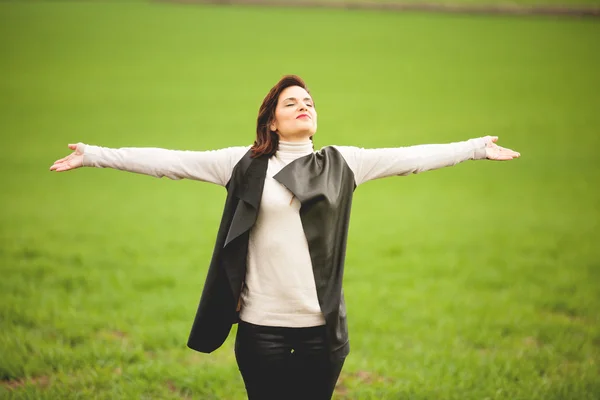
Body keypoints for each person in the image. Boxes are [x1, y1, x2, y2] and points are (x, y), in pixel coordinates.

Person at [50, 75, 520, 400]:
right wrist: (93, 154)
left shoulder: (343, 163)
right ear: (272, 120)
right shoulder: (244, 163)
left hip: (322, 332)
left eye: (309, 101)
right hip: (261, 330)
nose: (303, 106)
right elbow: (170, 161)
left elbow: (411, 157)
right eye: (291, 101)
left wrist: (475, 148)